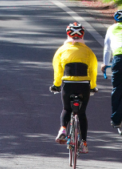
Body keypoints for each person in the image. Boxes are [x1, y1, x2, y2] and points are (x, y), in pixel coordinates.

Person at [50, 22, 98, 154]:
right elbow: (93, 70)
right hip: (84, 84)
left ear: (67, 34)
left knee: (66, 108)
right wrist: (93, 86)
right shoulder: (88, 51)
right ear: (82, 35)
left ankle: (63, 129)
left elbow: (58, 71)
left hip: (68, 84)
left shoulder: (61, 50)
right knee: (81, 113)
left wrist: (56, 85)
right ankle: (84, 143)